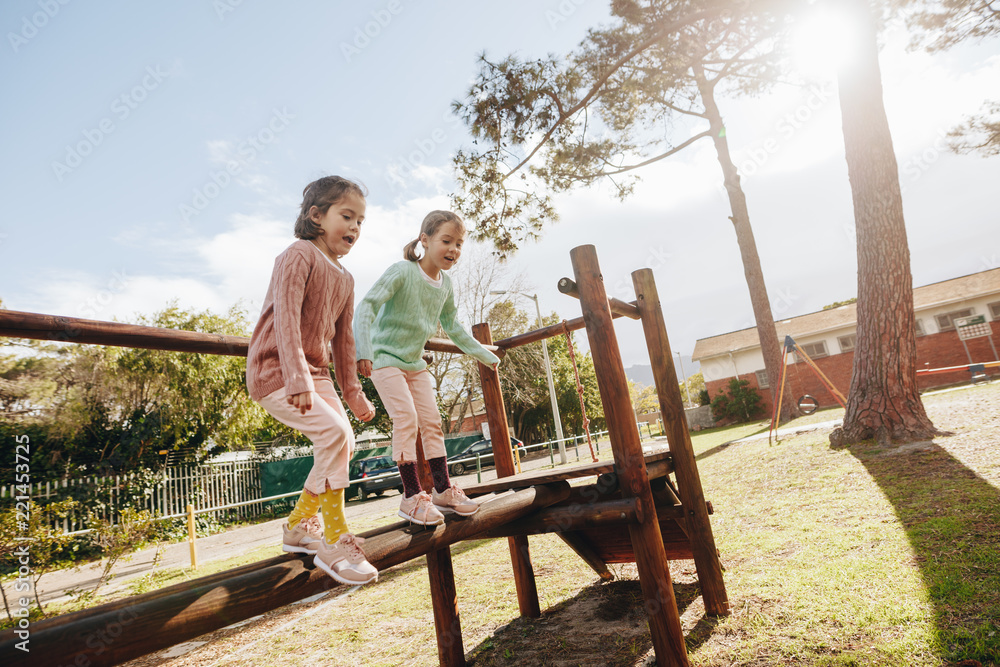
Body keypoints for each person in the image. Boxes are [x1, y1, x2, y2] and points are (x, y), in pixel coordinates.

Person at [246, 175, 378, 585]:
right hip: (276, 370)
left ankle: (300, 525)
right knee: (334, 434)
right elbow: (285, 316)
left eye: (361, 221)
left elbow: (344, 341)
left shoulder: (346, 278)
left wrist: (353, 391)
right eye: (347, 216)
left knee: (345, 439)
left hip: (315, 375)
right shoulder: (297, 255)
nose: (354, 227)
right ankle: (335, 537)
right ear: (316, 216)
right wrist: (297, 375)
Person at [355, 210, 500, 526]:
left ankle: (443, 491)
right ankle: (410, 497)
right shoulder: (402, 272)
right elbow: (366, 307)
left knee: (432, 422)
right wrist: (363, 350)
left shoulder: (445, 284)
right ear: (425, 240)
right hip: (384, 359)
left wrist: (484, 354)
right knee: (406, 418)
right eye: (446, 241)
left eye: (459, 244)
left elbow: (453, 326)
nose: (453, 249)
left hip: (414, 363)